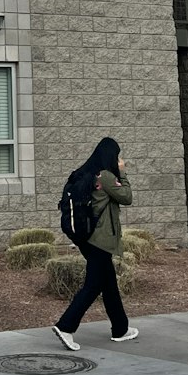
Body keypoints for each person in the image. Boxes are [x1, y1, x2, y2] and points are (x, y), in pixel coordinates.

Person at [52, 136, 139, 350]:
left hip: (85, 238)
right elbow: (127, 197)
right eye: (117, 155)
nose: (119, 159)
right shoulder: (107, 176)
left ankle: (120, 328)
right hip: (100, 240)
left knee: (108, 283)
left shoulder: (84, 173)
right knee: (93, 285)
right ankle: (66, 327)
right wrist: (123, 172)